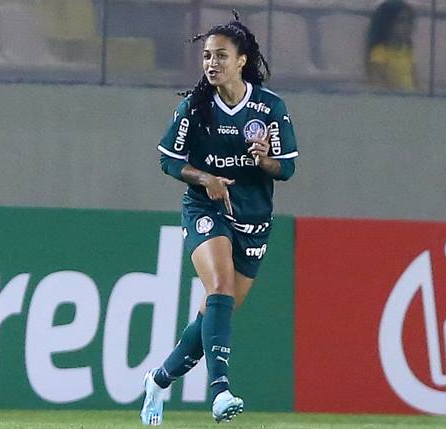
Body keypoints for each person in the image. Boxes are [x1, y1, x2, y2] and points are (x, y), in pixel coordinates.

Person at [140, 11, 298, 426]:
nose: (211, 63)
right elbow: (168, 160)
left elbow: (287, 169)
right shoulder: (195, 107)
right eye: (207, 56)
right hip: (206, 209)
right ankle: (220, 390)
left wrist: (265, 159)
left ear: (242, 60)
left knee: (217, 309)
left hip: (254, 218)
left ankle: (158, 379)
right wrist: (203, 177)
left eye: (221, 56)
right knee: (220, 287)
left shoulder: (269, 107)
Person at [366, 0, 417, 92]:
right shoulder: (379, 53)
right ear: (388, 23)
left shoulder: (407, 50)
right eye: (401, 21)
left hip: (410, 99)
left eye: (409, 21)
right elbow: (384, 86)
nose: (407, 26)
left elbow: (415, 81)